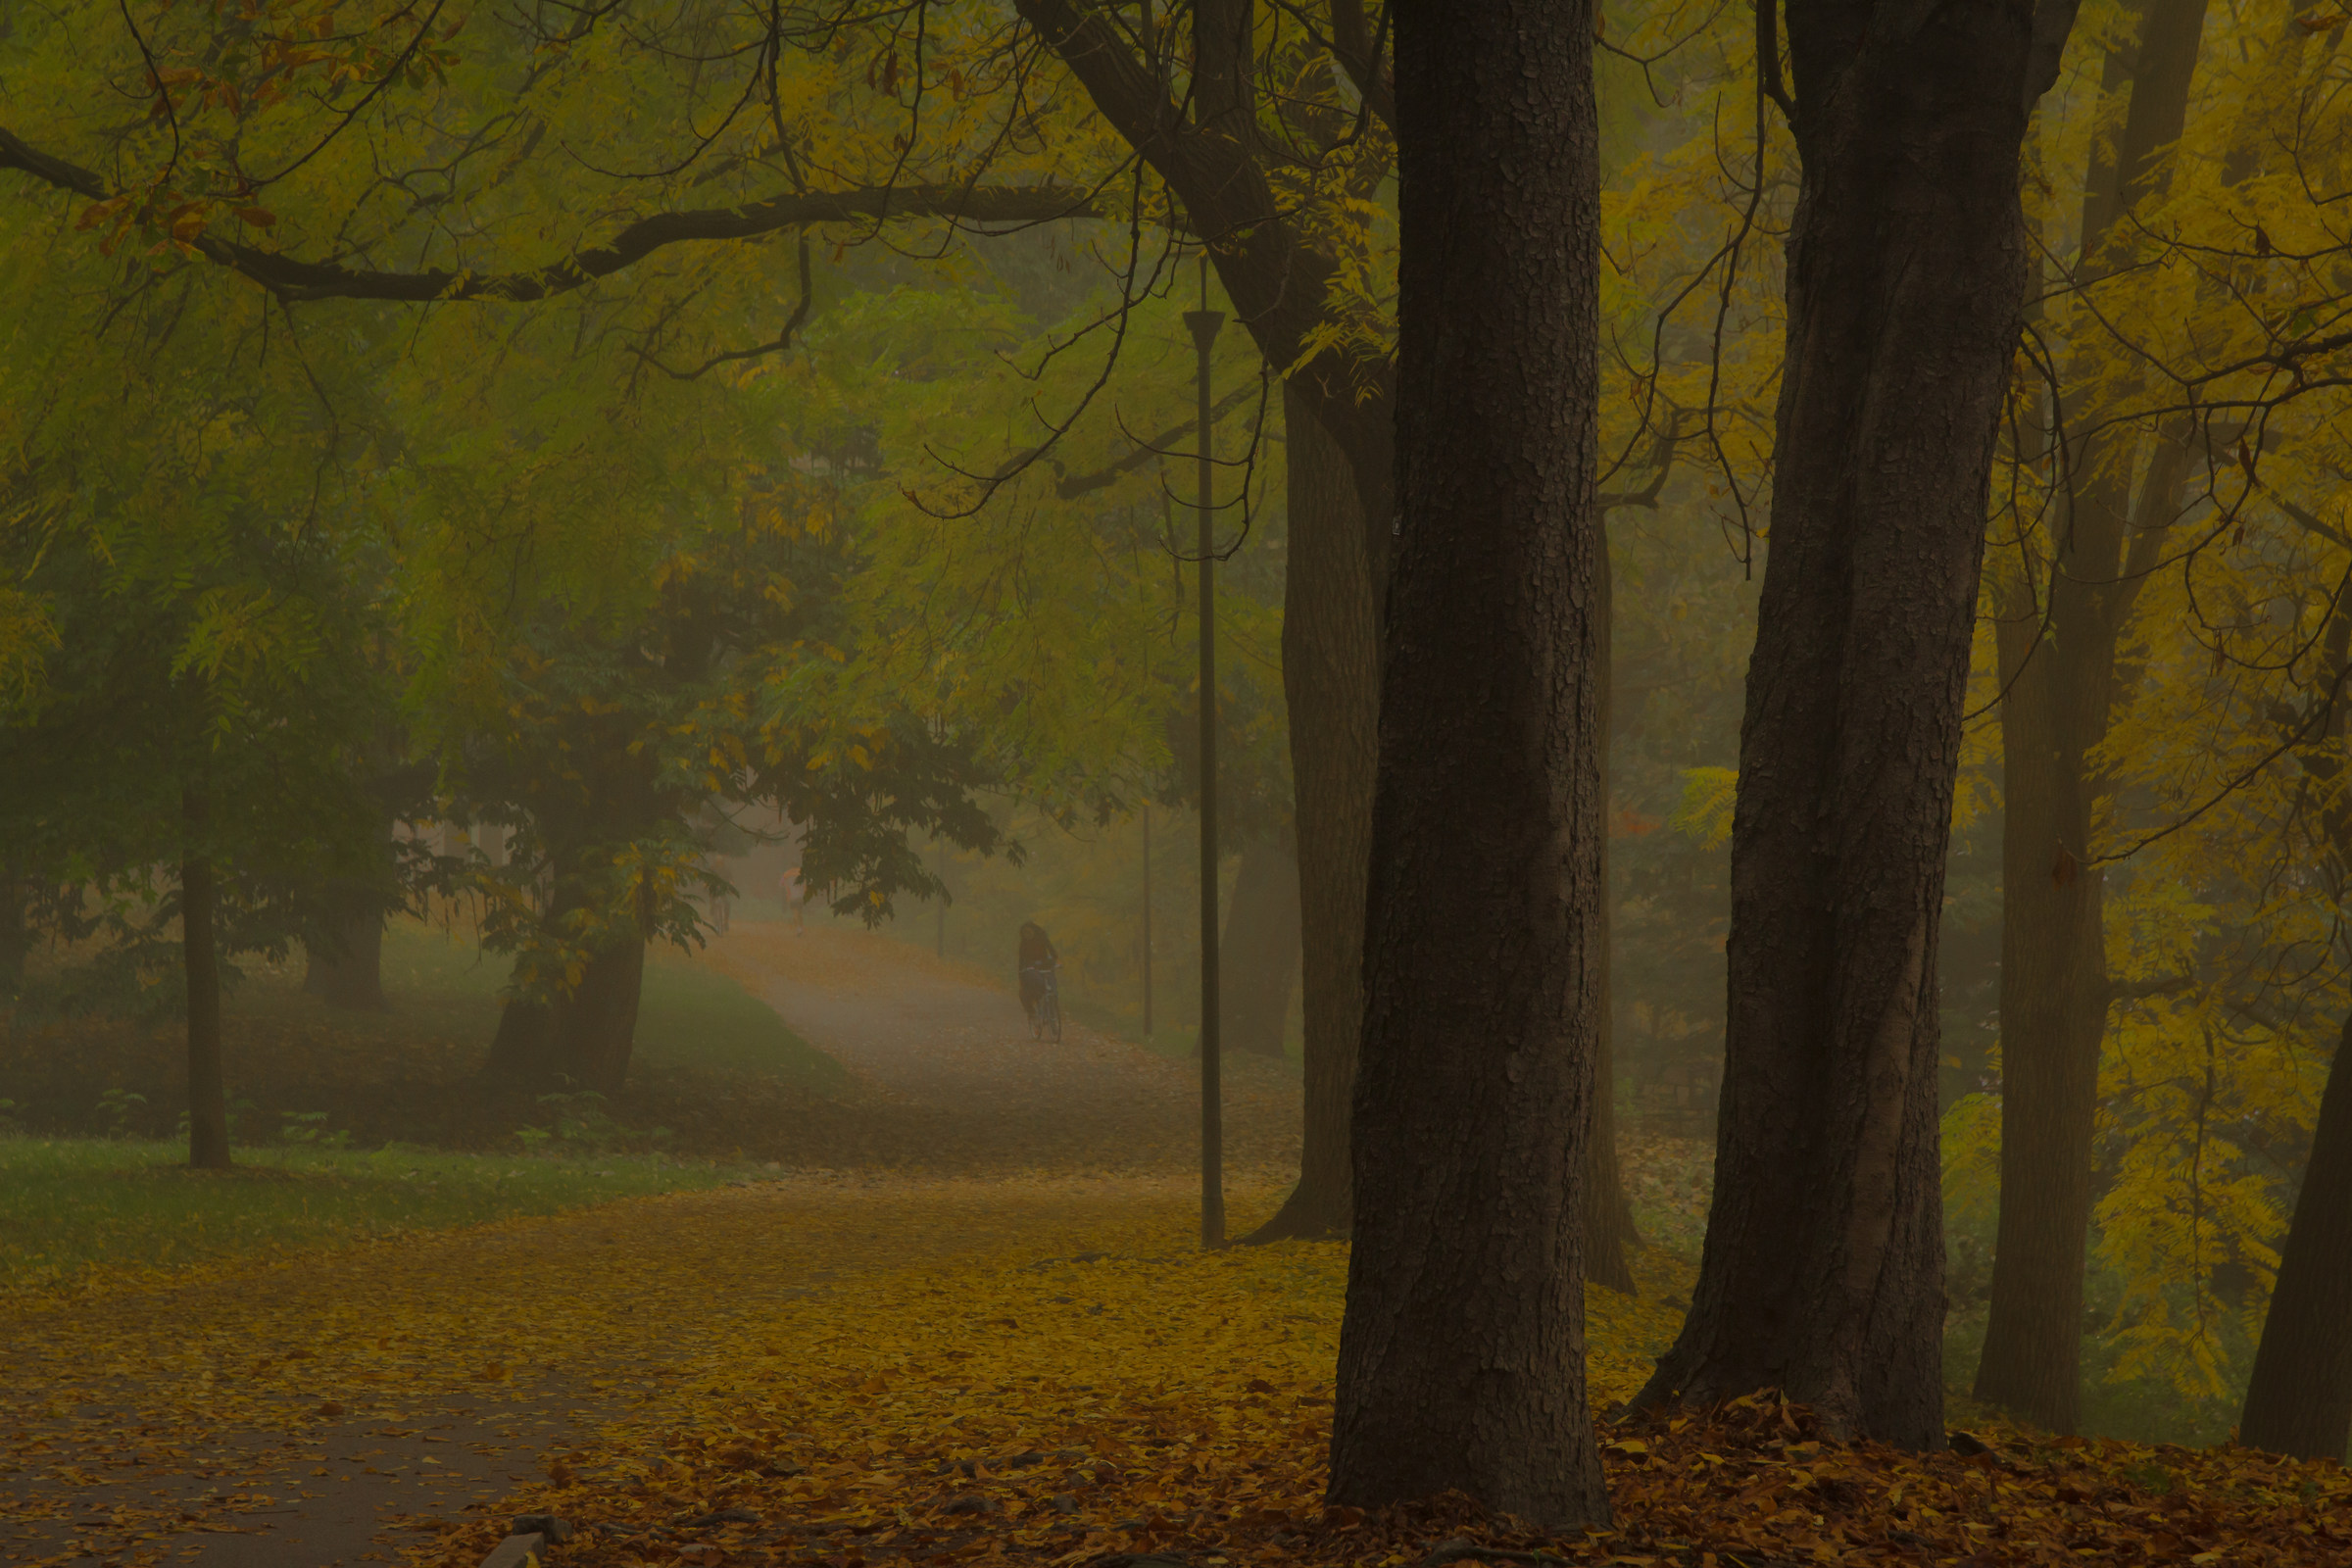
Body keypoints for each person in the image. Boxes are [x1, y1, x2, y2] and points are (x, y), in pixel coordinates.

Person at [1016, 921, 1057, 1022]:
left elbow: (1052, 951)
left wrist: (1053, 960)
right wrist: (1021, 972)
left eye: (1029, 932)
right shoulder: (1023, 944)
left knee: (1052, 987)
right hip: (1030, 967)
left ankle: (1051, 1010)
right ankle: (1035, 1011)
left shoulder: (1042, 938)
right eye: (1025, 933)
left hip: (1044, 964)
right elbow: (1021, 960)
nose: (1027, 935)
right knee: (1034, 985)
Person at [779, 864, 807, 931]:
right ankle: (801, 927)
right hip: (801, 896)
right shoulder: (803, 873)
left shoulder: (786, 874)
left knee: (795, 913)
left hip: (792, 896)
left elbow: (781, 884)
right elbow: (806, 886)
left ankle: (798, 928)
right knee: (799, 913)